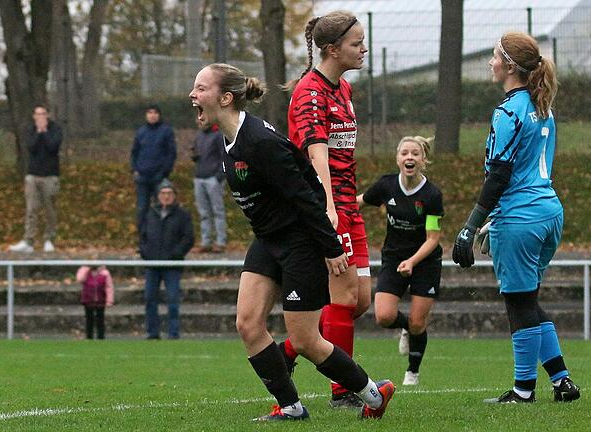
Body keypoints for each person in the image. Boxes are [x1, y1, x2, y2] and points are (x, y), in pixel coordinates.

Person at [189, 63, 395, 421]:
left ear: (224, 98)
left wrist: (331, 248)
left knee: (305, 341)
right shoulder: (227, 139)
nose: (193, 95)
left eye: (200, 88)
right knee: (248, 324)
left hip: (300, 241)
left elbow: (305, 195)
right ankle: (291, 407)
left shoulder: (260, 142)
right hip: (269, 240)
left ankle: (374, 396)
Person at [451, 32, 580, 404]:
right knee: (528, 300)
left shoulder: (508, 111)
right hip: (548, 211)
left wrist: (470, 226)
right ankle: (562, 381)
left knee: (518, 304)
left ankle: (523, 391)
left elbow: (500, 175)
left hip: (522, 216)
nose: (490, 62)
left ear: (509, 66)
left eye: (494, 56)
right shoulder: (542, 106)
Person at [282, 10, 373, 408]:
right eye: (357, 44)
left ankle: (289, 350)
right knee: (345, 297)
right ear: (333, 49)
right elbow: (316, 155)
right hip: (326, 208)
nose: (364, 48)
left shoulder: (343, 89)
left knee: (362, 300)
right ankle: (343, 389)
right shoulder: (310, 91)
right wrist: (329, 211)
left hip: (347, 206)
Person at [358, 136, 443, 386]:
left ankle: (412, 373)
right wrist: (330, 210)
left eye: (415, 154)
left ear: (422, 160)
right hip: (394, 257)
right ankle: (405, 327)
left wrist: (413, 261)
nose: (409, 158)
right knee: (384, 316)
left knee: (419, 322)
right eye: (404, 153)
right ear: (397, 158)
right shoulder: (386, 186)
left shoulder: (431, 195)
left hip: (424, 261)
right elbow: (358, 203)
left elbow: (433, 238)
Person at [138, 179, 194, 340]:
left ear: (174, 196)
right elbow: (142, 236)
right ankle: (152, 332)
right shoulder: (149, 213)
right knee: (150, 298)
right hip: (152, 264)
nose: (166, 196)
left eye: (169, 193)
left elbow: (188, 238)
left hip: (172, 265)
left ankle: (173, 333)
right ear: (158, 196)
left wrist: (176, 254)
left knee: (173, 299)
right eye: (163, 193)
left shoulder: (183, 215)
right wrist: (146, 253)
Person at [9, 105, 63, 253]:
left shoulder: (55, 129)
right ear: (34, 116)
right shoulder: (30, 129)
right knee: (31, 208)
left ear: (48, 115)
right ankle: (29, 240)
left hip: (50, 175)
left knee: (49, 209)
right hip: (33, 174)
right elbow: (30, 147)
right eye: (38, 114)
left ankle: (49, 239)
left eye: (43, 114)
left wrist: (45, 132)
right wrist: (38, 132)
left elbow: (53, 147)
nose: (40, 117)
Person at [131, 104, 177, 230]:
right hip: (142, 177)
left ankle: (162, 237)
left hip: (159, 178)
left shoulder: (166, 131)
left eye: (155, 113)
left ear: (159, 115)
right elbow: (134, 152)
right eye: (150, 112)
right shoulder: (141, 132)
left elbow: (171, 153)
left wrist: (164, 172)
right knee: (142, 209)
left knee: (162, 208)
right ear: (146, 115)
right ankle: (144, 239)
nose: (152, 115)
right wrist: (134, 169)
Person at [191, 119, 227, 253]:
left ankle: (220, 241)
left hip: (213, 178)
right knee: (203, 212)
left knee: (217, 211)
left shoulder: (218, 136)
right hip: (199, 177)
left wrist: (219, 176)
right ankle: (206, 241)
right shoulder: (199, 136)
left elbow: (224, 156)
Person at [77, 265, 114, 340]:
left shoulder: (105, 273)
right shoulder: (85, 271)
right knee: (89, 320)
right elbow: (80, 279)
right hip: (88, 300)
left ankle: (101, 337)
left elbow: (109, 286)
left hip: (100, 301)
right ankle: (89, 337)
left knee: (100, 320)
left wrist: (109, 300)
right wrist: (87, 270)